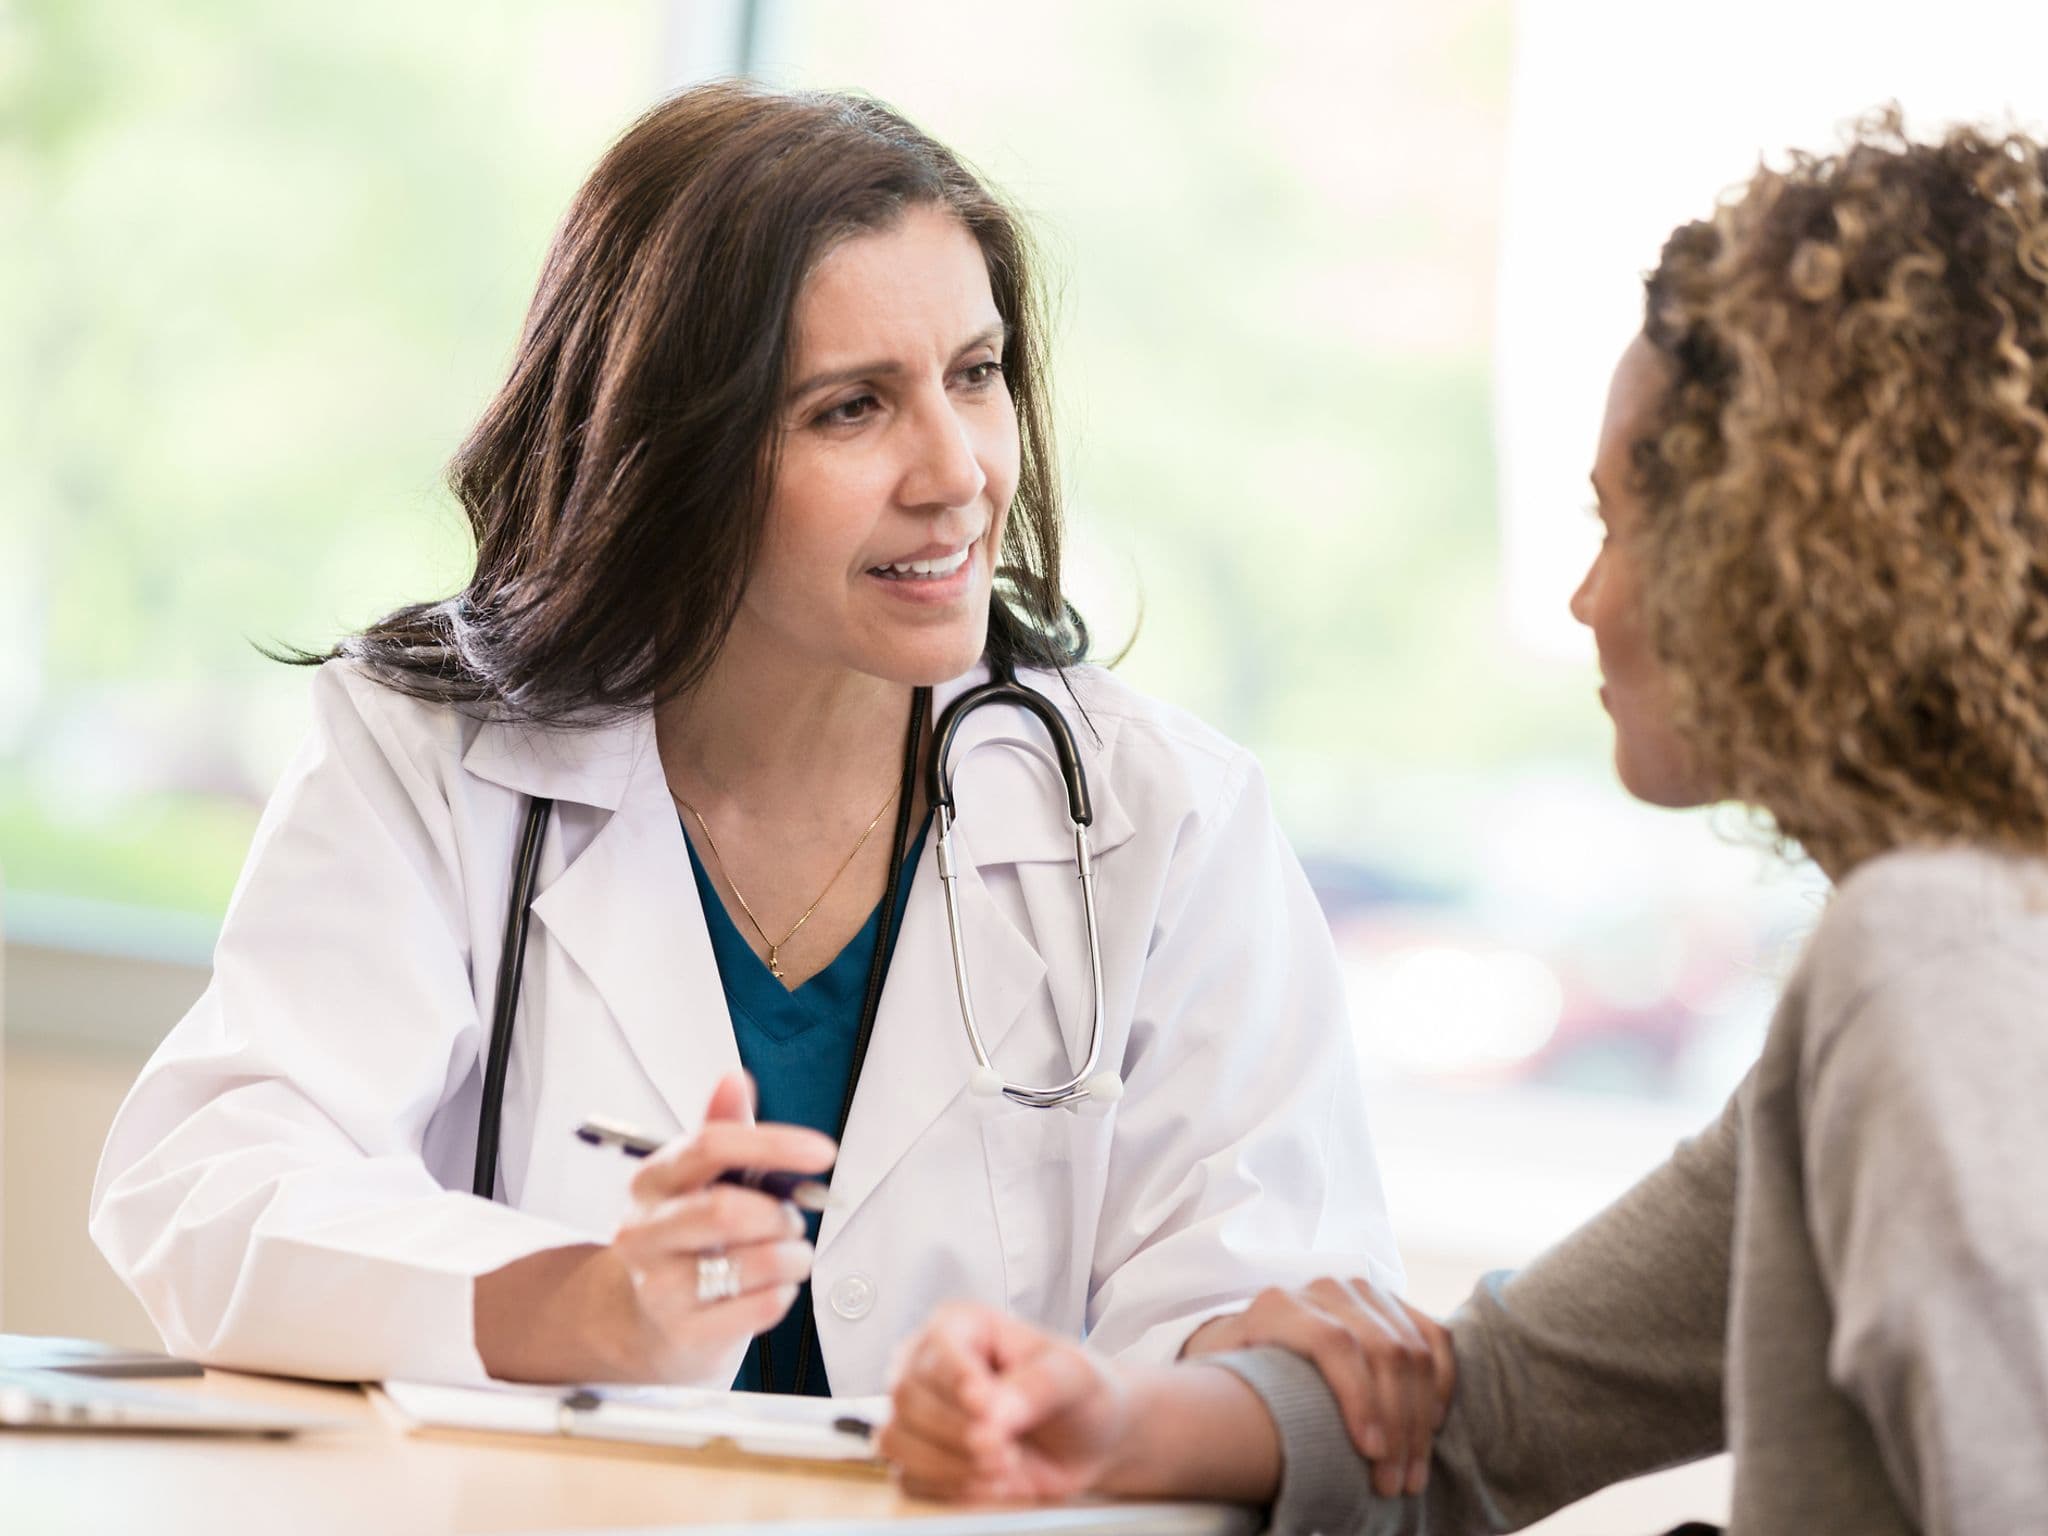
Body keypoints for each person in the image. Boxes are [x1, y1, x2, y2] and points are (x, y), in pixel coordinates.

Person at [87, 81, 1400, 1395]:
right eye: (851, 407)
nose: (957, 474)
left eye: (975, 375)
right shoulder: (428, 759)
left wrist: (1168, 1388)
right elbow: (211, 1191)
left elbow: (1271, 1314)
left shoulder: (1161, 820)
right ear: (671, 452)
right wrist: (588, 1306)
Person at [879, 112, 2048, 1533]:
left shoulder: (1930, 953)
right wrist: (1112, 1418)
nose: (1588, 600)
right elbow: (1490, 1410)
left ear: (1790, 555)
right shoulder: (1925, 963)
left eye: (1620, 525)